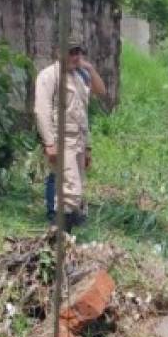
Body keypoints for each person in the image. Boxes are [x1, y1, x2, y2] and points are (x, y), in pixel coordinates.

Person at [34, 39, 107, 232]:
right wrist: (49, 143)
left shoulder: (80, 75)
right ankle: (57, 240)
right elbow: (41, 110)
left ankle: (65, 238)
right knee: (69, 191)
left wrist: (88, 147)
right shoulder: (49, 76)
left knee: (77, 189)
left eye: (78, 52)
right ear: (59, 52)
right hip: (62, 140)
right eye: (71, 52)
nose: (76, 56)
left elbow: (98, 95)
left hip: (79, 140)